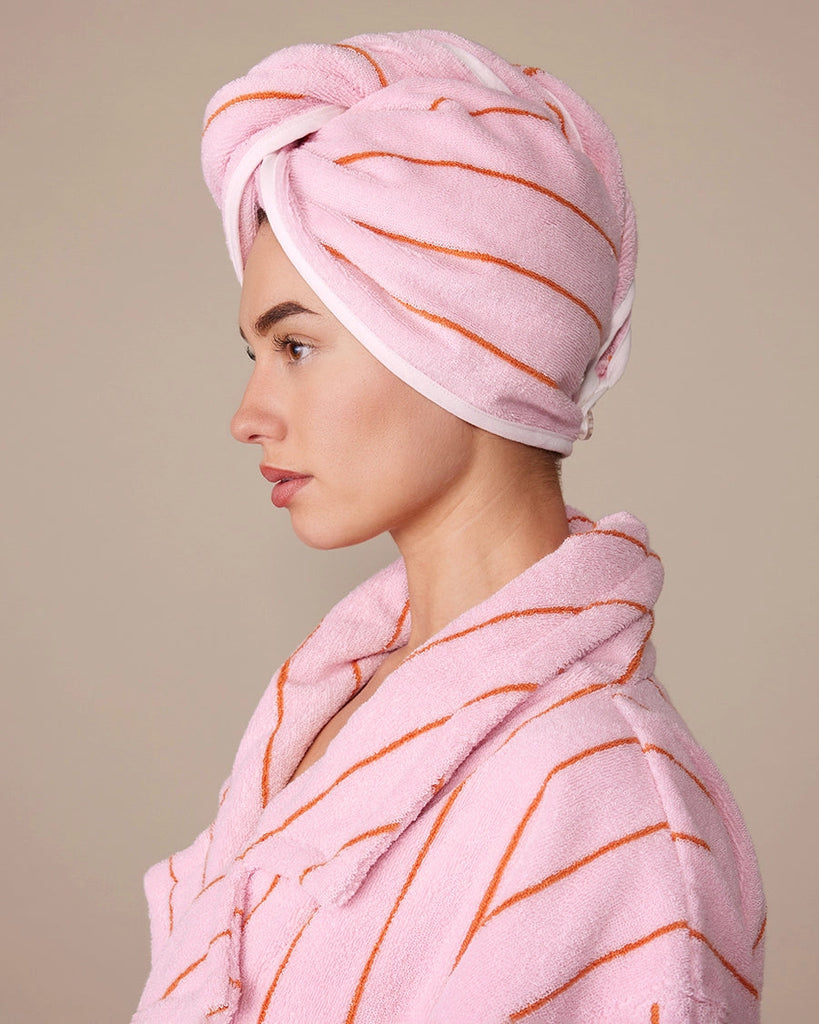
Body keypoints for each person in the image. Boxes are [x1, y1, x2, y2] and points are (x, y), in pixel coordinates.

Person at [131, 30, 765, 1023]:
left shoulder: (607, 800)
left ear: (464, 346)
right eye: (257, 352)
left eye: (297, 346)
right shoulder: (338, 699)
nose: (248, 415)